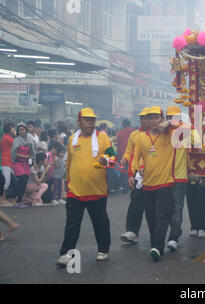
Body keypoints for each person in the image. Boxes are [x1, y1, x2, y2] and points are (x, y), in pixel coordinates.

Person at [56, 108, 115, 266]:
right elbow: (69, 163)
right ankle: (66, 253)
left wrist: (106, 159)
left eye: (92, 120)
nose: (90, 122)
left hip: (97, 190)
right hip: (75, 190)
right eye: (87, 119)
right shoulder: (72, 139)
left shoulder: (102, 137)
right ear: (79, 122)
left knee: (100, 222)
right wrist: (68, 183)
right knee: (72, 223)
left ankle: (103, 249)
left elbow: (112, 156)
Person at [128, 106, 174, 262]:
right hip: (147, 184)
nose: (154, 121)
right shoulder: (140, 138)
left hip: (166, 183)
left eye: (157, 117)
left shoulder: (170, 135)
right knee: (151, 218)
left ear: (162, 118)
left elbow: (187, 128)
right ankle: (157, 246)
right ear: (146, 120)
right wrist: (131, 174)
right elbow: (135, 157)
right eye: (151, 118)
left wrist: (169, 123)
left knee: (163, 216)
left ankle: (157, 247)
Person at [120, 108, 153, 244]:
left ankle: (162, 235)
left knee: (155, 206)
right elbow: (130, 151)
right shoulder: (134, 135)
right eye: (141, 118)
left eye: (146, 118)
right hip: (139, 174)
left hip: (155, 174)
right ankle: (132, 231)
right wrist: (125, 158)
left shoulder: (158, 135)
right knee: (136, 201)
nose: (143, 120)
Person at [166, 106, 189, 251]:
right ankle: (176, 230)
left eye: (174, 118)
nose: (172, 120)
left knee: (176, 209)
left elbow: (197, 139)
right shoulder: (161, 134)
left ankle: (173, 237)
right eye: (169, 118)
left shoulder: (185, 132)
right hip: (163, 178)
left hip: (180, 177)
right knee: (165, 210)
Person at [11, 123, 36, 209]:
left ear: (26, 130)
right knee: (22, 179)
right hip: (18, 163)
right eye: (20, 130)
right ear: (17, 131)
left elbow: (32, 151)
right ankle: (15, 198)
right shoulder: (16, 140)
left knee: (24, 182)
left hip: (26, 164)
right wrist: (25, 156)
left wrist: (34, 161)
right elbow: (15, 153)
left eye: (23, 129)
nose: (21, 131)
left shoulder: (30, 139)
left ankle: (19, 200)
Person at [116, 119, 135, 192]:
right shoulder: (133, 132)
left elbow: (118, 144)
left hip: (121, 155)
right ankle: (131, 185)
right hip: (131, 154)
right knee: (131, 170)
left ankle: (125, 187)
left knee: (124, 171)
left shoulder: (120, 133)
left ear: (123, 125)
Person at [0, 123, 15, 205]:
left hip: (7, 160)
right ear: (9, 129)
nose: (14, 130)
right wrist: (16, 135)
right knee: (6, 180)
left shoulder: (5, 137)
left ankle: (6, 197)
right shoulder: (8, 138)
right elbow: (16, 144)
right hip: (6, 161)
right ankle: (2, 198)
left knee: (9, 180)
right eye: (13, 128)